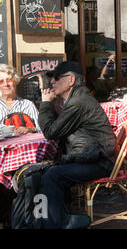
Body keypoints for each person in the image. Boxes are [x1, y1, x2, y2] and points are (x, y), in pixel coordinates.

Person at [38, 61, 116, 229]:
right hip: (91, 157)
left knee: (52, 176)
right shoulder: (77, 98)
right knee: (47, 172)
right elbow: (56, 128)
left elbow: (50, 132)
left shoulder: (78, 102)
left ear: (71, 80)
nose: (52, 82)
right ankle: (61, 218)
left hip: (99, 162)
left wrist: (45, 103)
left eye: (57, 78)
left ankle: (57, 223)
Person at [0, 64, 40, 134]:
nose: (6, 84)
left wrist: (30, 129)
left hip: (25, 144)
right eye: (1, 81)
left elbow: (41, 129)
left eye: (9, 80)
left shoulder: (27, 105)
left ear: (15, 81)